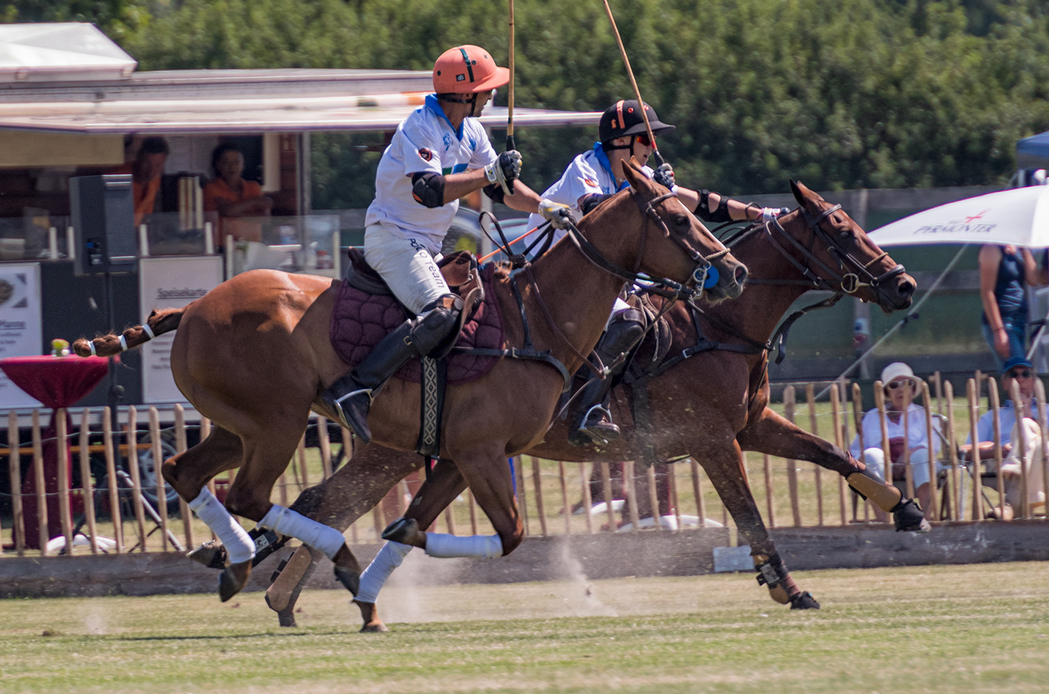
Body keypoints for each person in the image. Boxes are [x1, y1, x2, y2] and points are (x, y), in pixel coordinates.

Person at [317, 44, 566, 443]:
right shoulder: (420, 126)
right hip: (393, 237)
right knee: (443, 311)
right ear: (466, 93)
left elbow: (502, 188)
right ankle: (355, 389)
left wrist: (547, 206)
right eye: (488, 89)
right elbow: (429, 191)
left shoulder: (472, 130)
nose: (492, 96)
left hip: (425, 246)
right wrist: (488, 172)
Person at [527, 99, 781, 446]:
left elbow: (701, 202)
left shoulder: (642, 177)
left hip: (598, 279)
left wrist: (758, 214)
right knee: (630, 321)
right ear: (622, 142)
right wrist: (649, 191)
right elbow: (596, 211)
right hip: (548, 280)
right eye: (646, 139)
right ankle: (586, 409)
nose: (653, 148)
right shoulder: (584, 168)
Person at [960, 355, 1049, 515]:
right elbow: (964, 450)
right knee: (1030, 440)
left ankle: (1010, 505)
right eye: (1014, 375)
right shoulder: (993, 416)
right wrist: (997, 449)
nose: (1020, 379)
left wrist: (1031, 418)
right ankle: (1015, 499)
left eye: (1026, 374)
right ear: (1005, 383)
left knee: (1025, 425)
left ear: (1034, 381)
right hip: (1002, 463)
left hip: (1047, 459)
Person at [849, 362, 944, 516]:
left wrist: (906, 456)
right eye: (894, 385)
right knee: (871, 456)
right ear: (887, 391)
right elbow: (856, 450)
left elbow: (933, 444)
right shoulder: (872, 417)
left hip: (916, 466)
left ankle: (925, 519)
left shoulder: (925, 415)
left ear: (913, 388)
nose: (900, 388)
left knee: (922, 456)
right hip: (881, 469)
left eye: (906, 383)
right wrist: (881, 457)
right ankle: (884, 523)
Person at [978, 244, 1041, 366]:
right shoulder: (990, 249)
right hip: (1003, 321)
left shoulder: (1018, 249)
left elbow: (1033, 279)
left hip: (1019, 320)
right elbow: (987, 293)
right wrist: (998, 331)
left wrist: (1024, 250)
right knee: (1016, 371)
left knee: (1017, 371)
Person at [202, 142, 273, 242]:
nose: (232, 167)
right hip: (223, 246)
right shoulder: (211, 188)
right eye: (226, 162)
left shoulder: (254, 187)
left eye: (237, 162)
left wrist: (234, 213)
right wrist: (254, 201)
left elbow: (265, 219)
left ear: (243, 164)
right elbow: (228, 211)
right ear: (217, 165)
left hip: (252, 245)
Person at [128, 135, 170, 226]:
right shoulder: (119, 176)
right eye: (147, 163)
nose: (151, 171)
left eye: (158, 165)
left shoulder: (155, 181)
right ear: (138, 158)